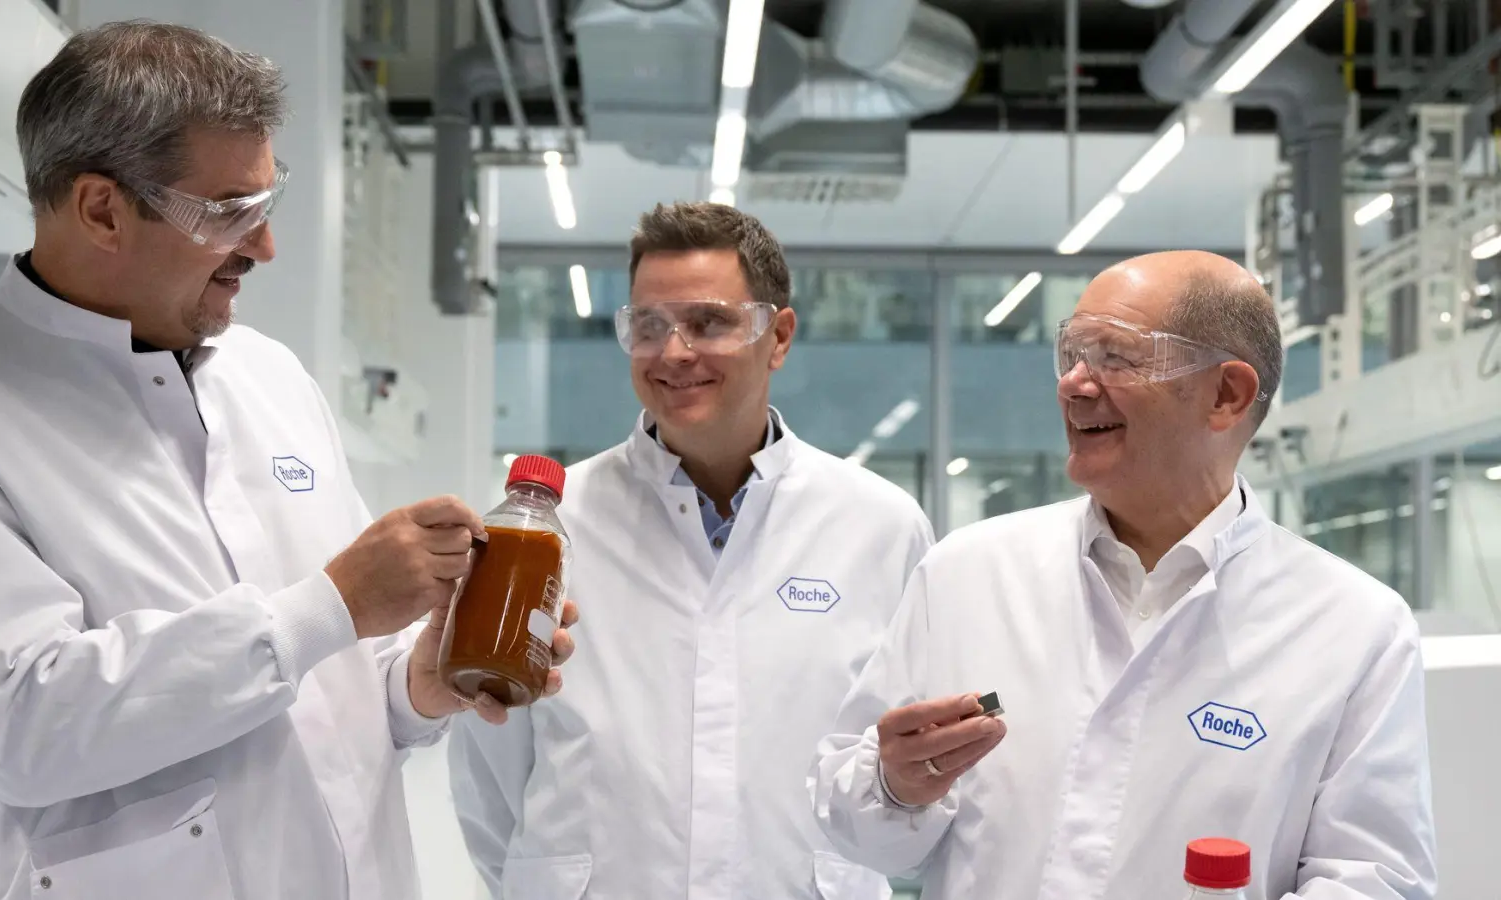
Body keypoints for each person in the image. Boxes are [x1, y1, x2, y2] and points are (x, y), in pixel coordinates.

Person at [0, 22, 575, 900]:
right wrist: (334, 604)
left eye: (266, 203)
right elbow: (23, 729)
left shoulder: (269, 377)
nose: (264, 247)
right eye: (228, 212)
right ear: (103, 209)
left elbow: (330, 682)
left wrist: (420, 680)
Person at [811, 250, 1437, 899]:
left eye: (1117, 357)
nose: (1074, 384)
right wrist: (896, 787)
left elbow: (1376, 880)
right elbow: (858, 837)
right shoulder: (965, 575)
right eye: (1071, 354)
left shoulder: (1353, 627)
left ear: (1226, 395)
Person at [447, 202, 935, 899]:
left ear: (779, 336)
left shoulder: (880, 528)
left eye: (708, 323)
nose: (674, 352)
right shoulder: (549, 528)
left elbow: (902, 776)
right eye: (648, 327)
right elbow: (489, 769)